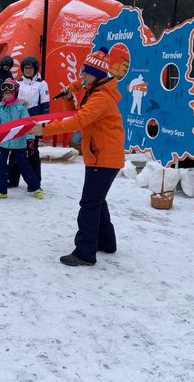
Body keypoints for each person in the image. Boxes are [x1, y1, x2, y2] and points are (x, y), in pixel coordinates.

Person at [32, 51, 124, 267]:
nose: (81, 75)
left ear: (96, 75)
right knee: (97, 201)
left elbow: (78, 121)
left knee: (89, 204)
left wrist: (43, 129)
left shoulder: (101, 97)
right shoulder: (96, 91)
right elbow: (79, 116)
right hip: (101, 156)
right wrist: (67, 100)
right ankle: (107, 243)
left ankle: (84, 252)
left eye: (86, 73)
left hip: (103, 158)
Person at [0, 79, 43, 200]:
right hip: (4, 142)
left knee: (24, 166)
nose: (7, 95)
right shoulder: (0, 107)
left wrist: (30, 140)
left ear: (15, 93)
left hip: (19, 143)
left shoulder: (21, 108)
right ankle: (0, 190)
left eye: (9, 93)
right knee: (0, 165)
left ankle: (35, 187)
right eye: (5, 93)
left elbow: (27, 125)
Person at [8, 56, 49, 187]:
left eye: (30, 68)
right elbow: (10, 102)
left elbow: (45, 105)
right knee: (15, 150)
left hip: (33, 121)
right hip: (18, 120)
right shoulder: (17, 83)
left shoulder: (41, 84)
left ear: (35, 68)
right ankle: (12, 179)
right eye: (26, 68)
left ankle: (35, 181)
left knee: (32, 151)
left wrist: (43, 126)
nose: (28, 70)